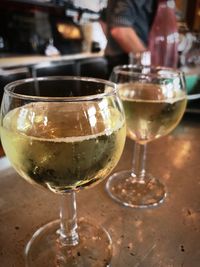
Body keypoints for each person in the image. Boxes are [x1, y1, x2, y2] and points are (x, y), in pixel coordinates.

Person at [100, 0, 158, 76]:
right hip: (130, 61)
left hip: (117, 58)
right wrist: (150, 69)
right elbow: (120, 29)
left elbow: (103, 20)